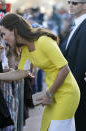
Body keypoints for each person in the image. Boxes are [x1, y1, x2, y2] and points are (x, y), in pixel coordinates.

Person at [0, 13, 80, 131]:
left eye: (3, 34)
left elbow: (64, 69)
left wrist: (49, 94)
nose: (3, 38)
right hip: (53, 93)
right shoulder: (26, 47)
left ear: (14, 30)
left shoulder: (43, 41)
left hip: (67, 93)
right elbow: (21, 72)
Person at [64, 0, 86, 130]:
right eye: (69, 2)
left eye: (75, 3)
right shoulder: (77, 25)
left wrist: (71, 92)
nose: (71, 5)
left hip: (81, 90)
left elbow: (81, 63)